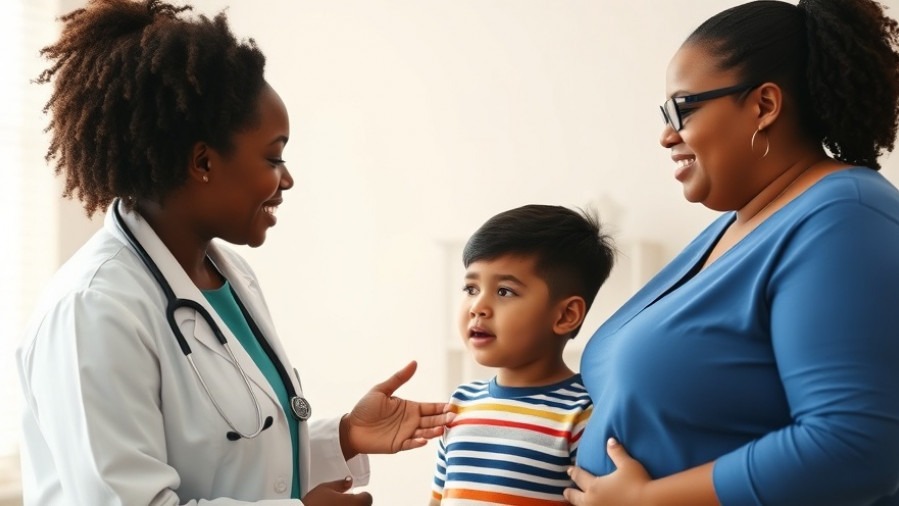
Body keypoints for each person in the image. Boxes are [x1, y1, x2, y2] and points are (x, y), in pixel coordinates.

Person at [16, 1, 452, 505]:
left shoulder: (227, 275)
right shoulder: (93, 309)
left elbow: (234, 448)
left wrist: (345, 435)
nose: (286, 180)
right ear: (203, 161)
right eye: (273, 156)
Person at [564, 1, 899, 505]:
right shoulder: (736, 225)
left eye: (683, 108)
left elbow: (855, 446)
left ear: (764, 105)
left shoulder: (843, 216)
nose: (665, 135)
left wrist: (647, 500)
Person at [429, 204, 616, 505]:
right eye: (471, 288)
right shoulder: (459, 404)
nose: (478, 306)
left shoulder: (585, 415)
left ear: (566, 314)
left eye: (504, 291)